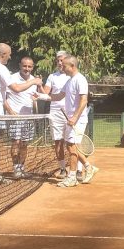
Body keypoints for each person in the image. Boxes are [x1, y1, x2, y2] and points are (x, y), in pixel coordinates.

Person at [0, 43, 42, 184]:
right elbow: (16, 88)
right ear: (3, 54)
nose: (9, 57)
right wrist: (34, 81)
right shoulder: (1, 68)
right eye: (9, 54)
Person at [57, 55, 98, 188]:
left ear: (72, 66)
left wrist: (75, 117)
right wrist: (40, 95)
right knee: (70, 146)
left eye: (64, 66)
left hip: (77, 120)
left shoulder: (80, 79)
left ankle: (72, 177)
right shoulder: (69, 81)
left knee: (72, 146)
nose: (62, 67)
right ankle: (88, 167)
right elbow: (58, 96)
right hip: (71, 120)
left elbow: (83, 101)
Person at [4, 54, 39, 179]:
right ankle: (16, 169)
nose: (27, 68)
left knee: (24, 144)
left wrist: (35, 104)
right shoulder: (12, 78)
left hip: (28, 118)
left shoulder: (34, 80)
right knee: (16, 142)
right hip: (15, 117)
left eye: (30, 66)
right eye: (25, 66)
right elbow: (3, 98)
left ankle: (22, 168)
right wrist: (10, 111)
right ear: (20, 65)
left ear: (32, 67)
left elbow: (35, 98)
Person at [42, 50, 70, 179]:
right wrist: (38, 86)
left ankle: (79, 170)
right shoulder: (52, 76)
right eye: (58, 60)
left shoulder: (73, 75)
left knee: (72, 142)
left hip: (70, 113)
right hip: (55, 113)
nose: (59, 62)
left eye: (62, 60)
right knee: (58, 142)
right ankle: (63, 169)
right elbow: (46, 93)